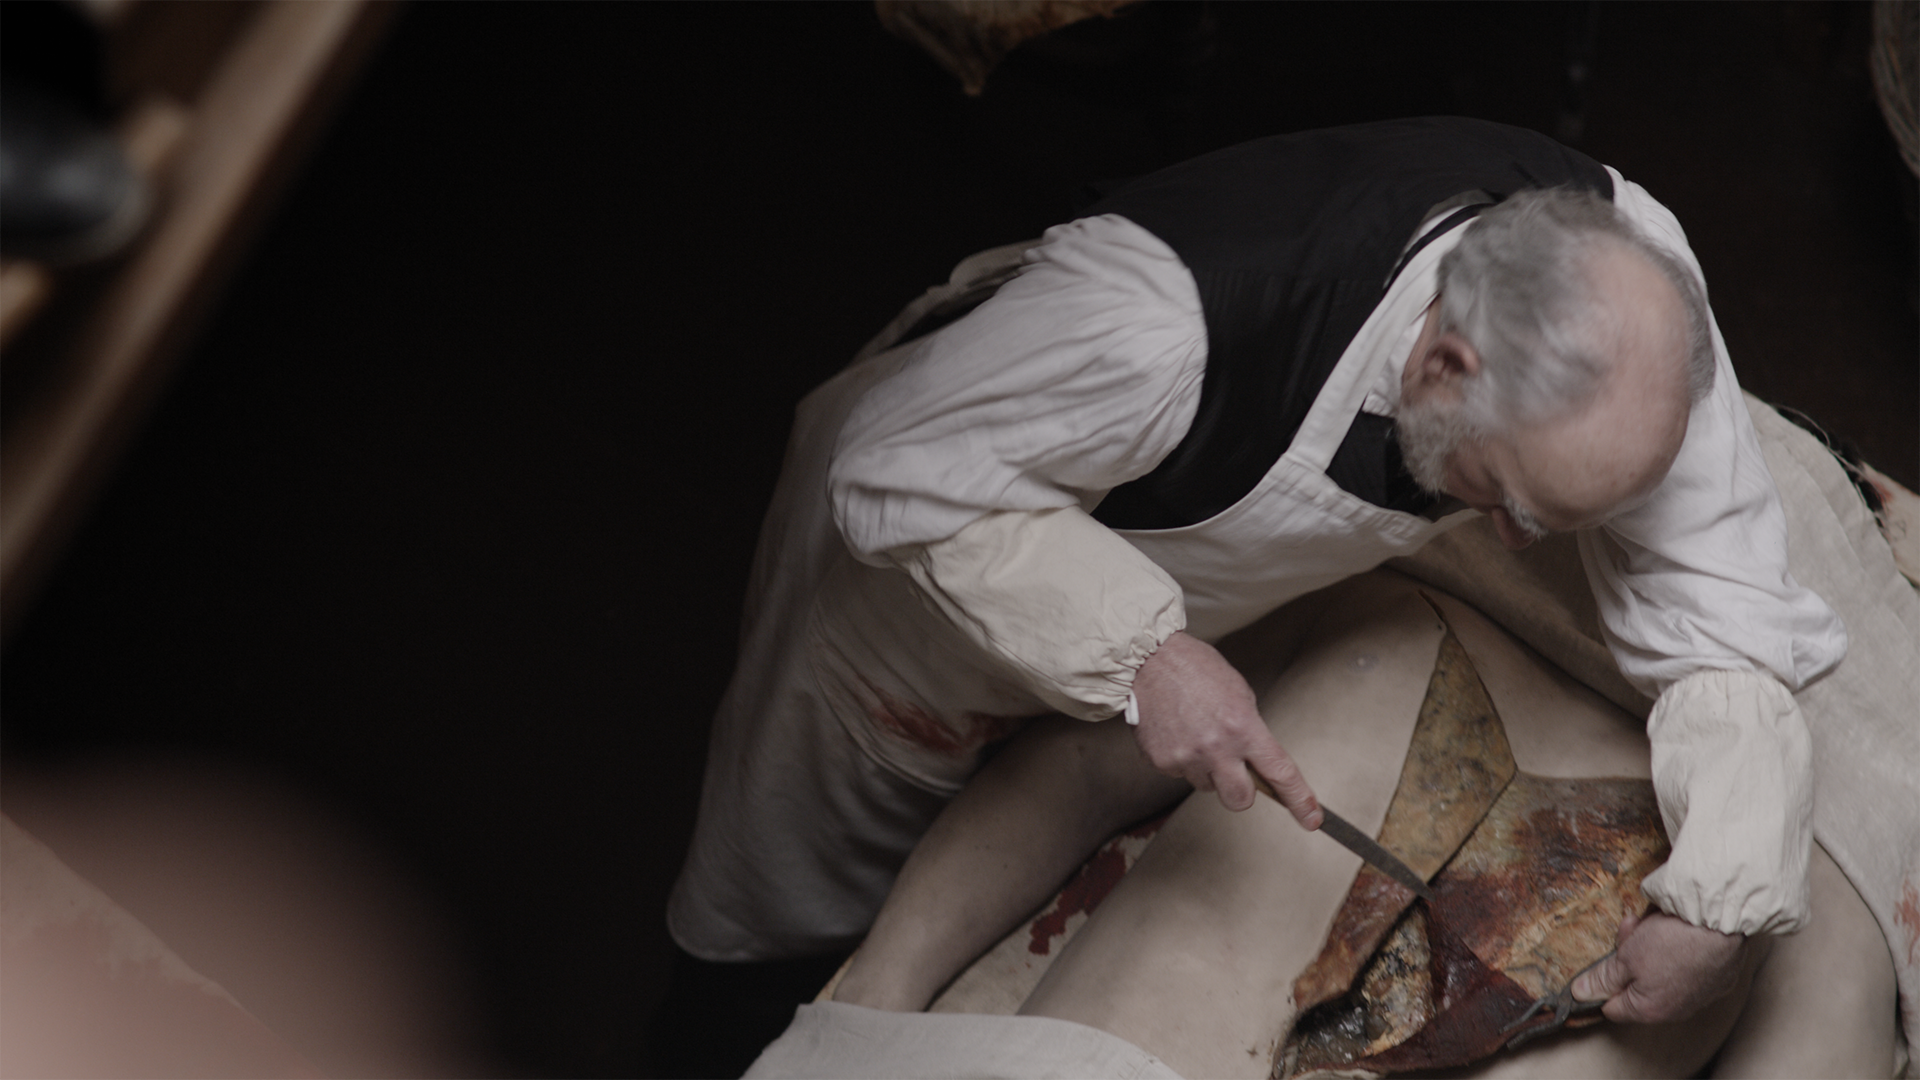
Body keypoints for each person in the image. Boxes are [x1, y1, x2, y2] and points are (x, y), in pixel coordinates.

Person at [666, 117, 1844, 1032]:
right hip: (912, 589)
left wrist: (1720, 898)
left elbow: (1720, 599)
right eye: (1511, 502)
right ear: (1445, 363)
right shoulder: (1157, 325)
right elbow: (894, 468)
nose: (1522, 547)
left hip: (1174, 593)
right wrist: (1143, 651)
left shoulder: (1631, 298)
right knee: (783, 910)